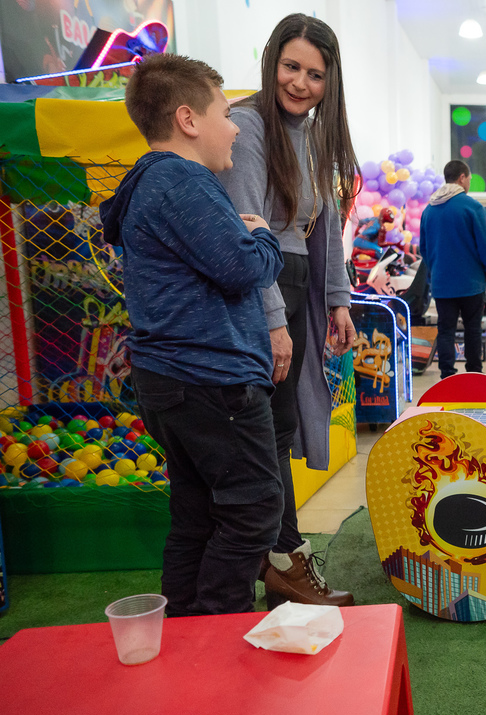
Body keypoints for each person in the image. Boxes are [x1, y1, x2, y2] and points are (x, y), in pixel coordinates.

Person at [100, 54, 284, 616]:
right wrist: (263, 236)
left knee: (199, 515)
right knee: (254, 510)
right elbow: (243, 267)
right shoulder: (181, 180)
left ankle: (183, 630)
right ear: (188, 119)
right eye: (225, 114)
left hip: (174, 378)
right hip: (211, 378)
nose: (234, 128)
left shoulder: (152, 181)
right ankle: (219, 627)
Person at [220, 13, 356, 607]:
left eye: (315, 74)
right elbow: (249, 230)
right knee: (267, 430)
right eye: (291, 67)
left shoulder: (316, 136)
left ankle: (280, 558)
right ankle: (281, 559)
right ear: (272, 62)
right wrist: (274, 320)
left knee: (280, 426)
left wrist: (338, 300)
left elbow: (323, 227)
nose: (300, 83)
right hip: (264, 287)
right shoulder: (249, 125)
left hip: (296, 283)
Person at [421, 159, 486, 379]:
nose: (469, 183)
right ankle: (473, 375)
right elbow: (485, 244)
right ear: (462, 178)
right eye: (469, 179)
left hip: (442, 284)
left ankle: (447, 375)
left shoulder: (429, 210)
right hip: (471, 282)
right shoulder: (472, 207)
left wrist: (436, 271)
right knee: (473, 329)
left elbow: (424, 249)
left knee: (445, 330)